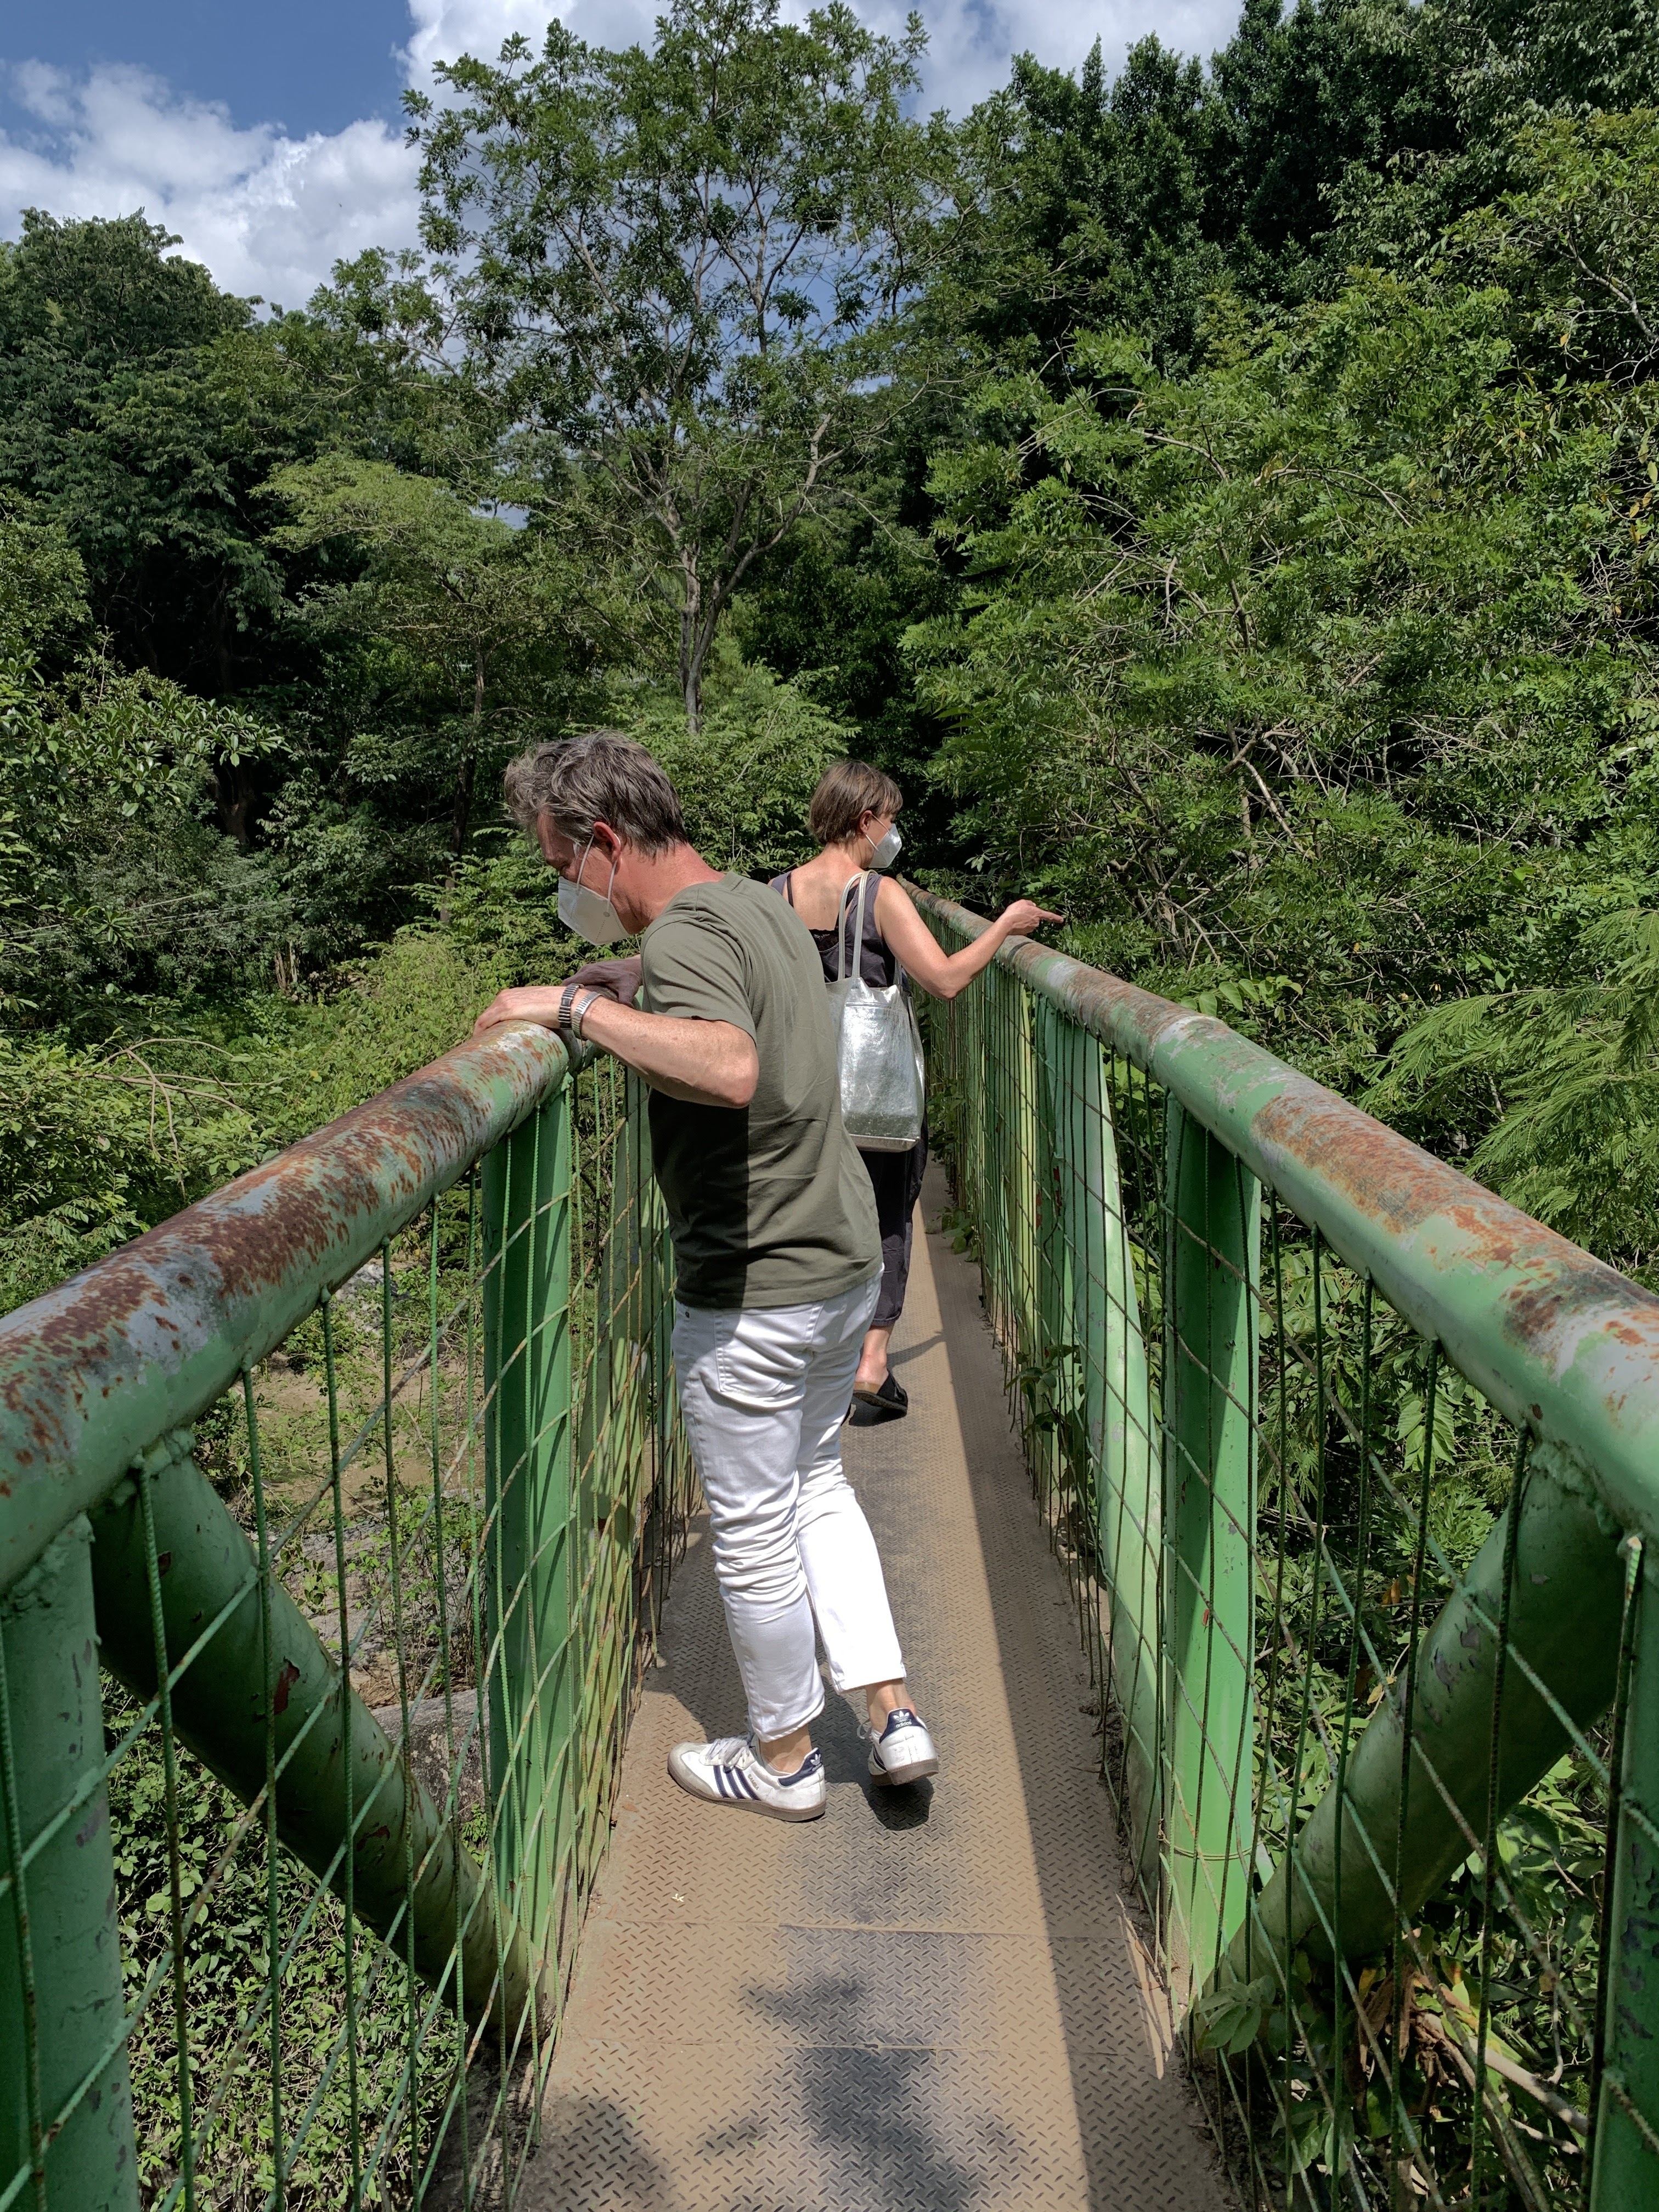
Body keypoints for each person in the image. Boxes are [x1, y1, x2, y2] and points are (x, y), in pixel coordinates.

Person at [471, 731, 938, 1823]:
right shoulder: (757, 900)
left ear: (599, 841)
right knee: (818, 1486)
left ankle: (782, 1760)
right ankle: (892, 1714)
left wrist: (576, 1006)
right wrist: (634, 977)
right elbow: (755, 995)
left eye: (559, 866)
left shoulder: (690, 935)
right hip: (841, 1262)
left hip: (756, 1290)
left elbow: (728, 1064)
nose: (563, 890)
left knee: (754, 1526)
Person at [772, 759, 1060, 1423]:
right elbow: (945, 979)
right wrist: (1003, 925)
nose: (893, 832)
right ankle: (871, 1364)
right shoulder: (879, 893)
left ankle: (810, 1354)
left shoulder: (778, 891)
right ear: (865, 820)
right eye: (890, 819)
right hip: (872, 1096)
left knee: (812, 1212)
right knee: (887, 1209)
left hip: (805, 1093)